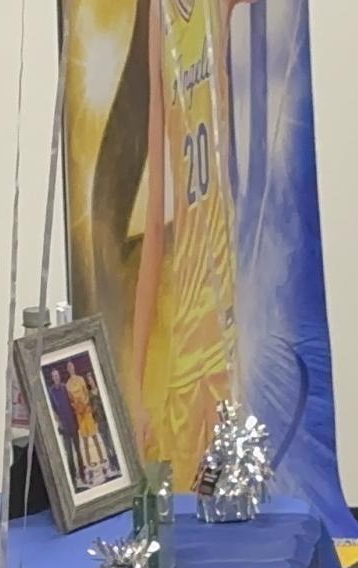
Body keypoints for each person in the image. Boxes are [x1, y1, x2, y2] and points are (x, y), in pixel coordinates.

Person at [124, 0, 256, 473]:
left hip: (228, 330)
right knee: (187, 504)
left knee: (229, 498)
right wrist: (135, 389)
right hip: (185, 342)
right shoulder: (159, 16)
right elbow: (157, 225)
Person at [45, 366, 83, 486]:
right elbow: (53, 410)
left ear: (59, 376)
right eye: (54, 376)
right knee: (69, 454)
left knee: (78, 450)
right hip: (64, 427)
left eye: (57, 375)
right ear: (52, 378)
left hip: (72, 424)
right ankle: (73, 478)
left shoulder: (65, 388)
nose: (56, 377)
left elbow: (72, 402)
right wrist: (59, 422)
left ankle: (82, 474)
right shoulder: (51, 392)